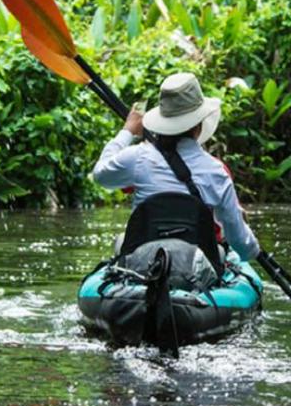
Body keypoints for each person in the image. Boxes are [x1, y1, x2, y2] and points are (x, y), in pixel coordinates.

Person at [92, 72, 260, 263]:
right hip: (197, 269)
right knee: (223, 253)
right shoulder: (216, 172)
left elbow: (100, 174)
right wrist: (250, 243)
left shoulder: (137, 158)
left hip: (145, 264)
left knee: (121, 241)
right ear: (199, 125)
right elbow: (241, 245)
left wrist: (128, 131)